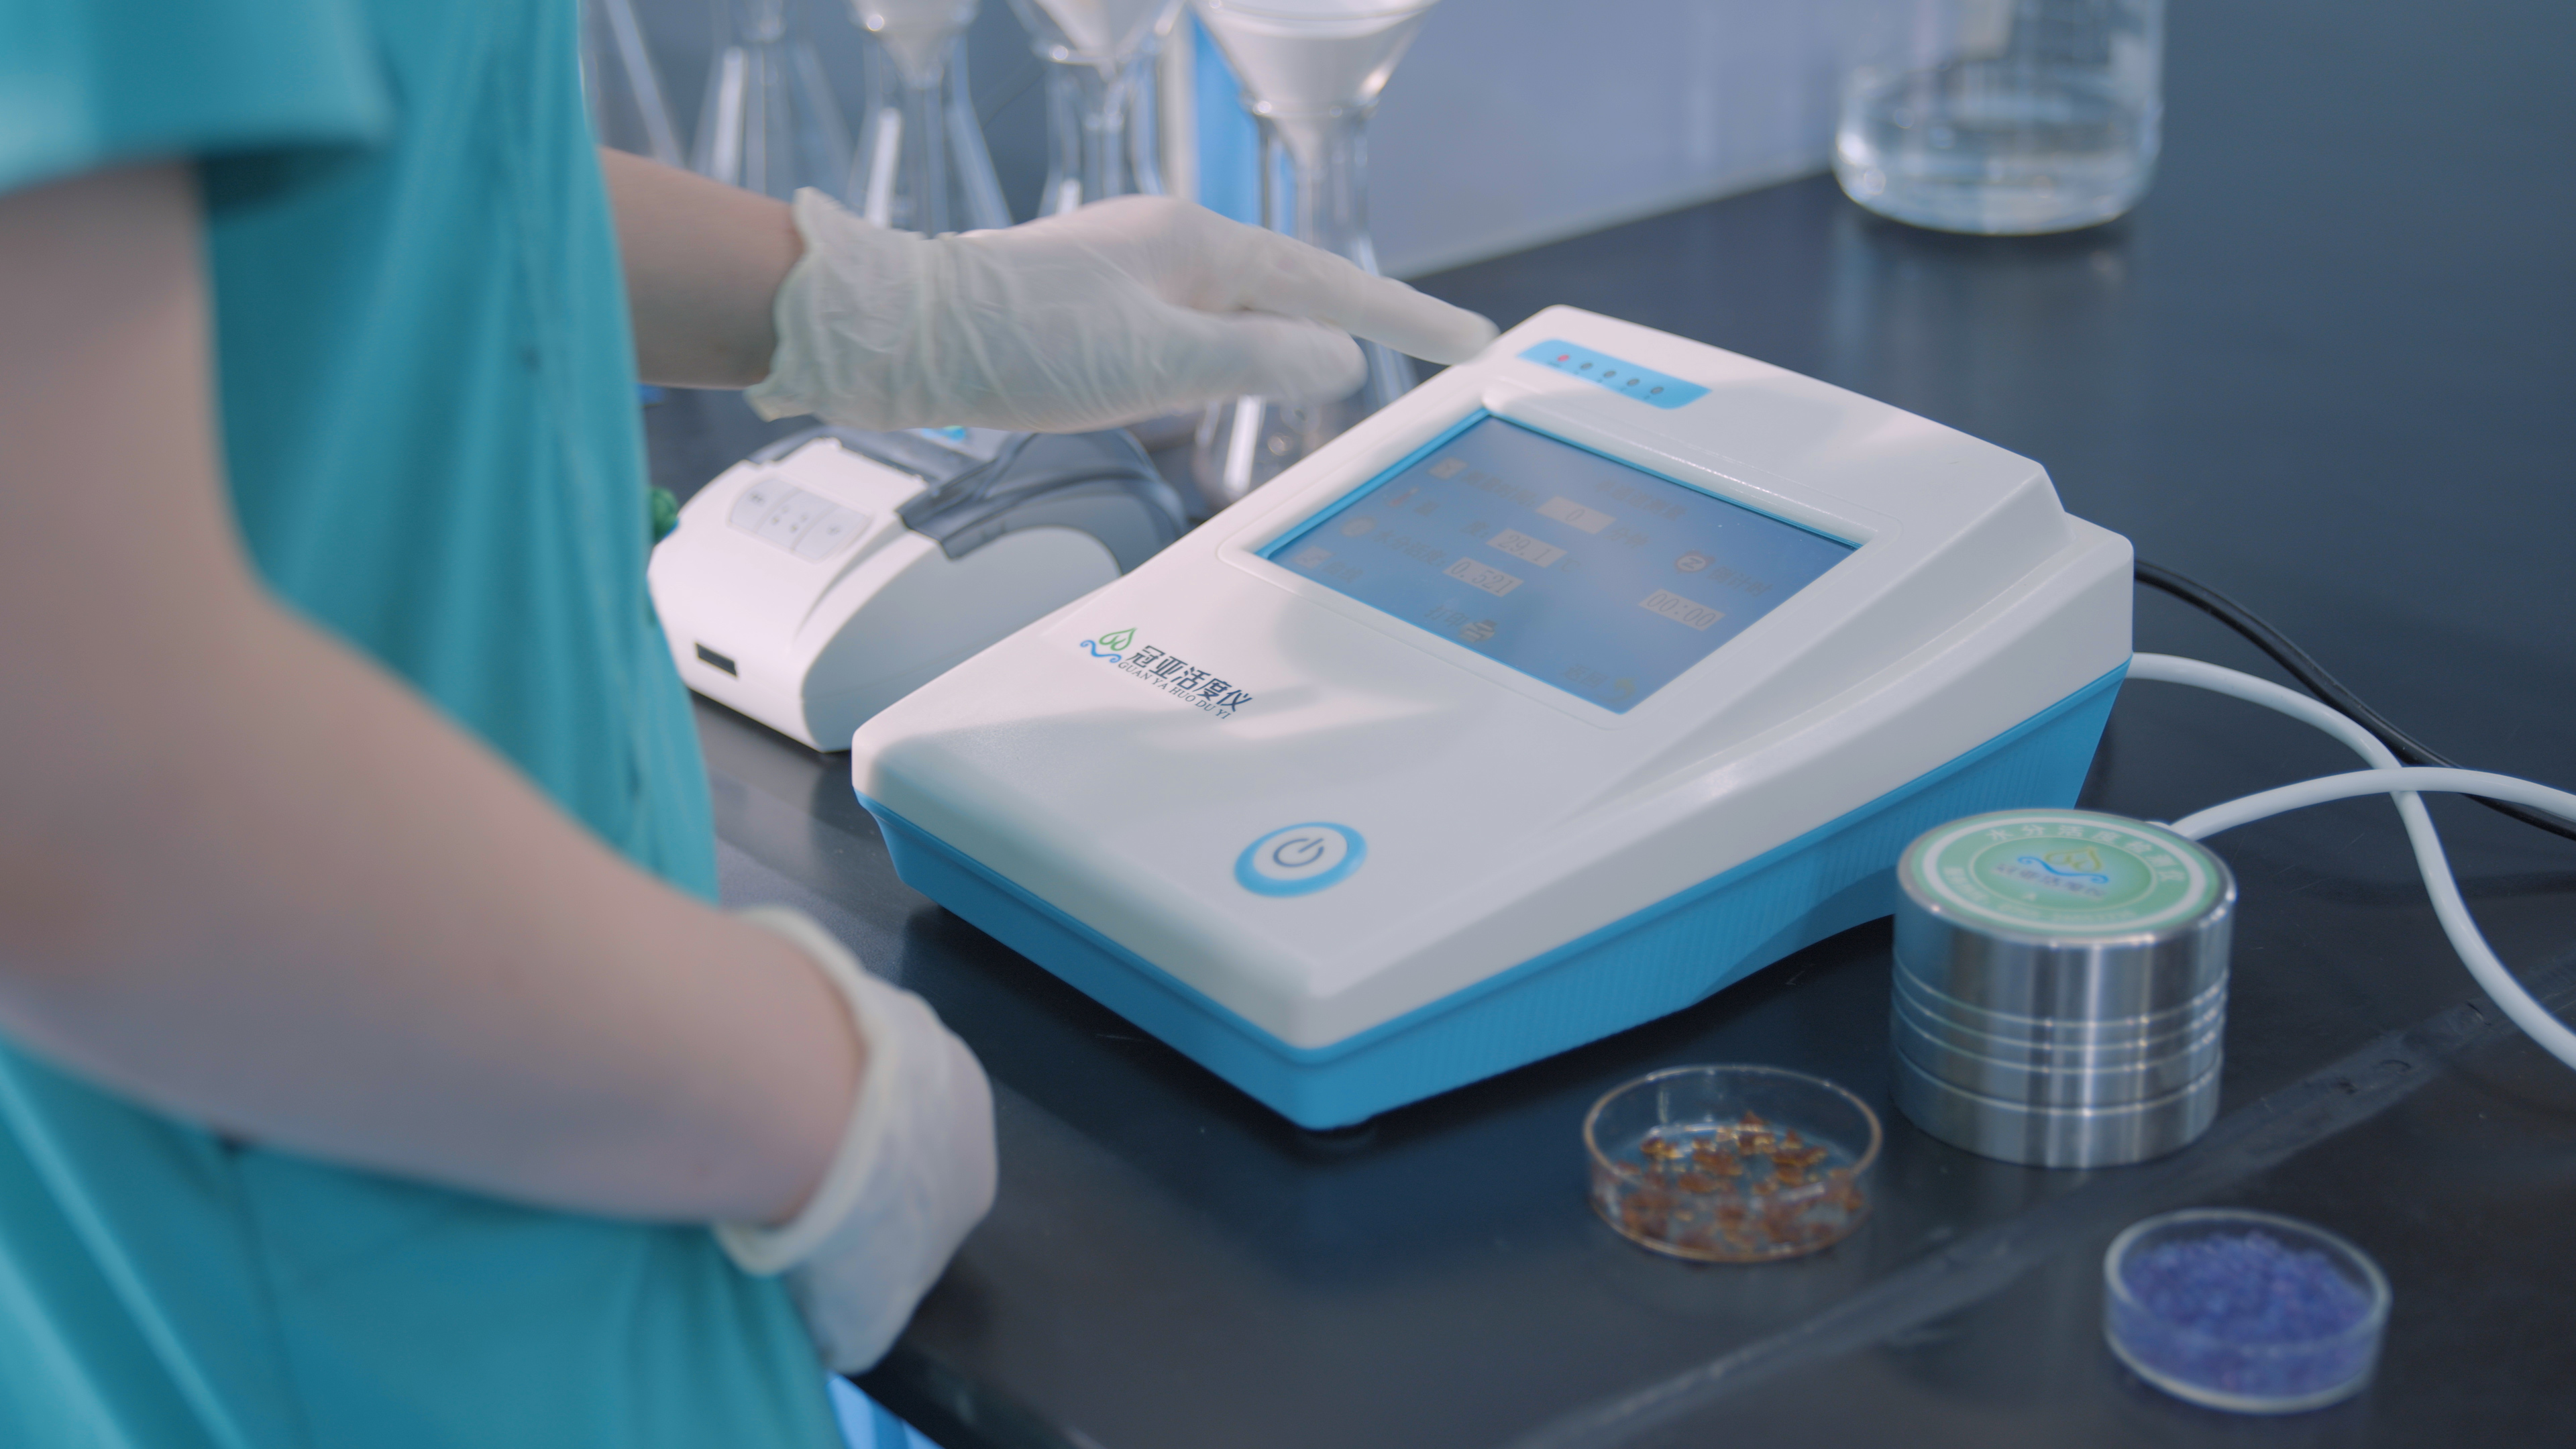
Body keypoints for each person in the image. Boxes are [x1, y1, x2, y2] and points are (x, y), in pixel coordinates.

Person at [0, 3, 1497, 1446]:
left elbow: (374, 162)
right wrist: (814, 1102)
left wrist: (894, 304)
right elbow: (72, 779)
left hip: (371, 1120)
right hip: (375, 1193)